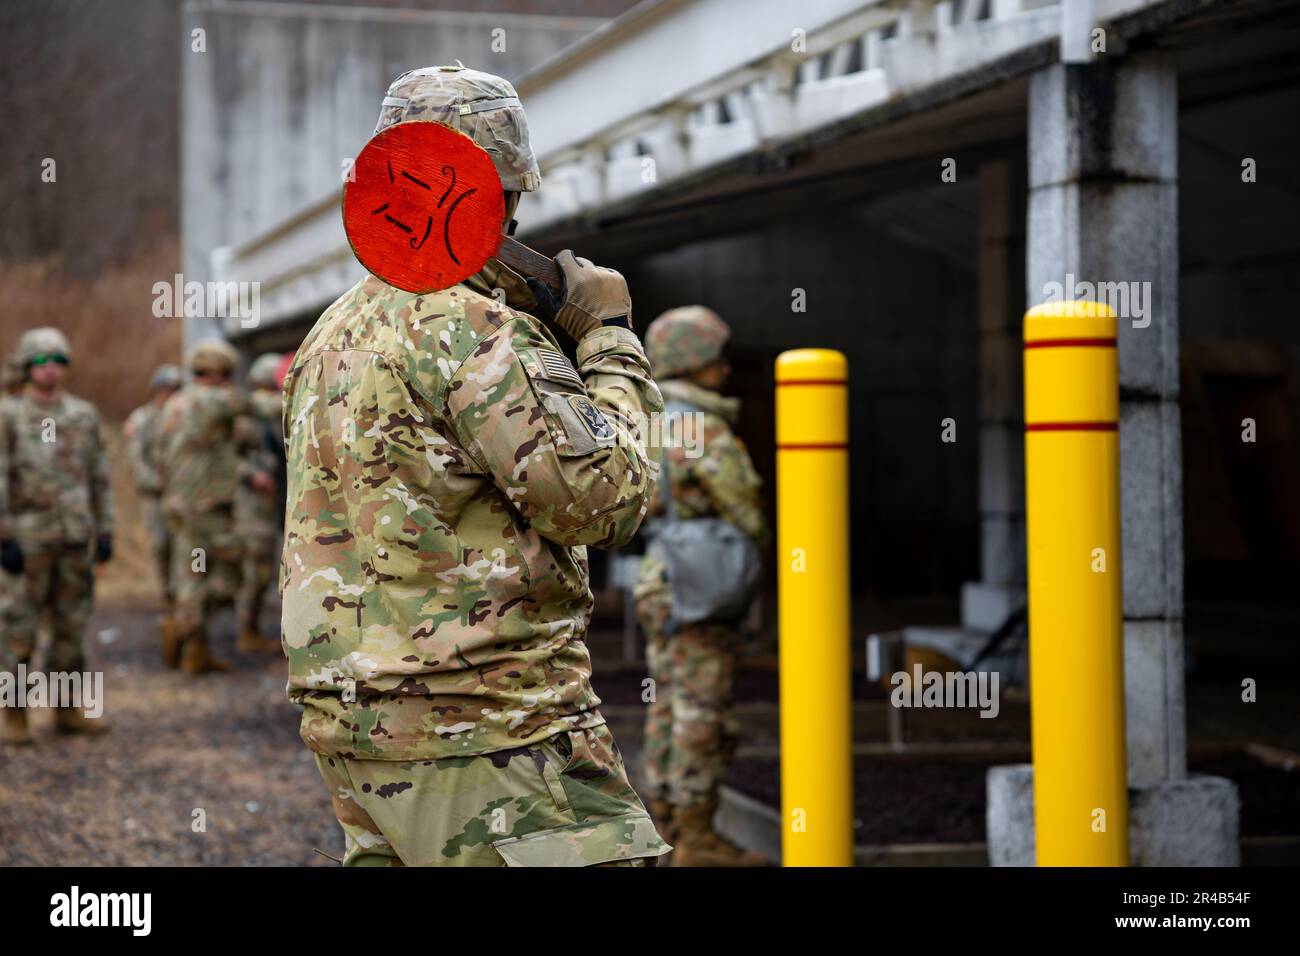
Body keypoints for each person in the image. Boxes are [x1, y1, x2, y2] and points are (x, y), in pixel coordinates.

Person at [282, 64, 669, 866]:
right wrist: (609, 339)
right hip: (488, 733)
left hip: (358, 724)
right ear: (497, 195)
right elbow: (608, 501)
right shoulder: (472, 328)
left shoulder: (332, 330)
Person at [634, 306, 768, 865]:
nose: (725, 370)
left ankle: (665, 820)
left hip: (659, 574)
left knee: (667, 700)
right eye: (716, 358)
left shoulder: (645, 417)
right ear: (698, 360)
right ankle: (697, 836)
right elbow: (743, 508)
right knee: (702, 709)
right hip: (700, 581)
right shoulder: (702, 425)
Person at [0, 327, 114, 744]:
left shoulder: (81, 415)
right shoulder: (9, 414)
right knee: (17, 630)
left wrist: (105, 531)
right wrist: (4, 535)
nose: (51, 370)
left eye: (59, 361)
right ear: (28, 366)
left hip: (73, 537)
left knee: (70, 629)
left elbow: (99, 475)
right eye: (43, 362)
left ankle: (67, 711)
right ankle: (14, 714)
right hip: (26, 540)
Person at [158, 339, 271, 673]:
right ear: (221, 372)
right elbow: (263, 406)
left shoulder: (175, 403)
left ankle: (195, 652)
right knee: (231, 570)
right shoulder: (213, 399)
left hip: (181, 503)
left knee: (193, 573)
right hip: (208, 505)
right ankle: (182, 627)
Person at [124, 364, 182, 655]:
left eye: (175, 390)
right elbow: (136, 459)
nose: (170, 395)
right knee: (161, 545)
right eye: (166, 389)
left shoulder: (180, 416)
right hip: (155, 496)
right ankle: (165, 597)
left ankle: (180, 598)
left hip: (181, 495)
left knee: (183, 547)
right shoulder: (143, 418)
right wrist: (156, 483)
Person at [233, 353, 285, 653]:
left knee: (268, 569)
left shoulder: (271, 415)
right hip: (254, 504)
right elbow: (229, 457)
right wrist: (253, 474)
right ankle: (245, 630)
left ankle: (253, 629)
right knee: (256, 568)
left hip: (276, 501)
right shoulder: (248, 414)